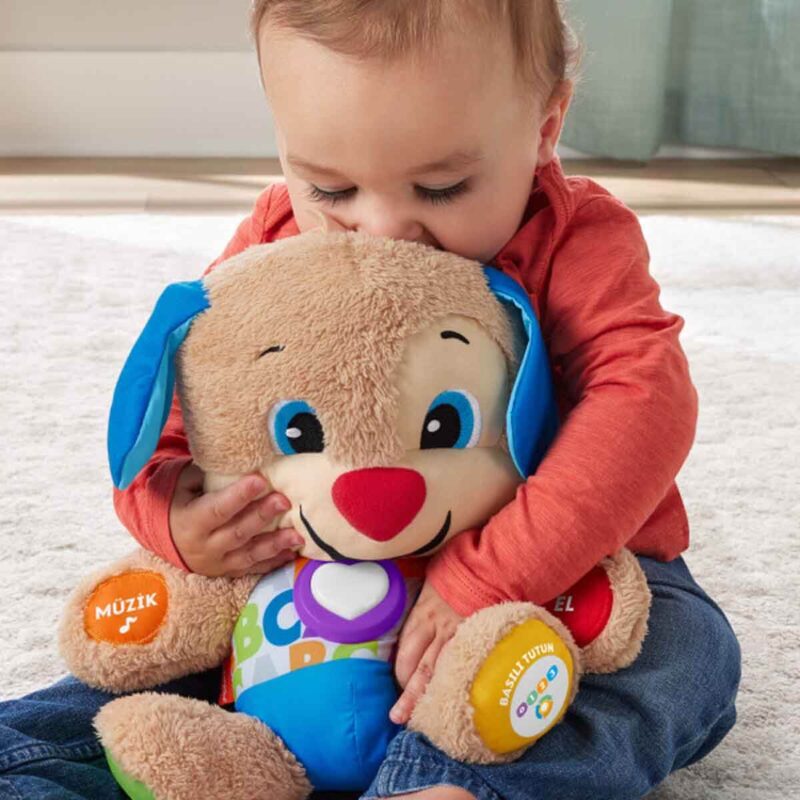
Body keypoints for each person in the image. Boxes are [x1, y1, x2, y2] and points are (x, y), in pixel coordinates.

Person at [0, 2, 741, 799]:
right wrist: (175, 515)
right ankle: (39, 764)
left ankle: (454, 784)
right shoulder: (276, 242)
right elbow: (195, 396)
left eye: (442, 187)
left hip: (555, 575)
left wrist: (493, 577)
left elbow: (645, 402)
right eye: (332, 187)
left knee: (683, 651)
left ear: (545, 128)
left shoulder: (578, 239)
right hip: (310, 571)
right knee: (153, 658)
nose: (382, 228)